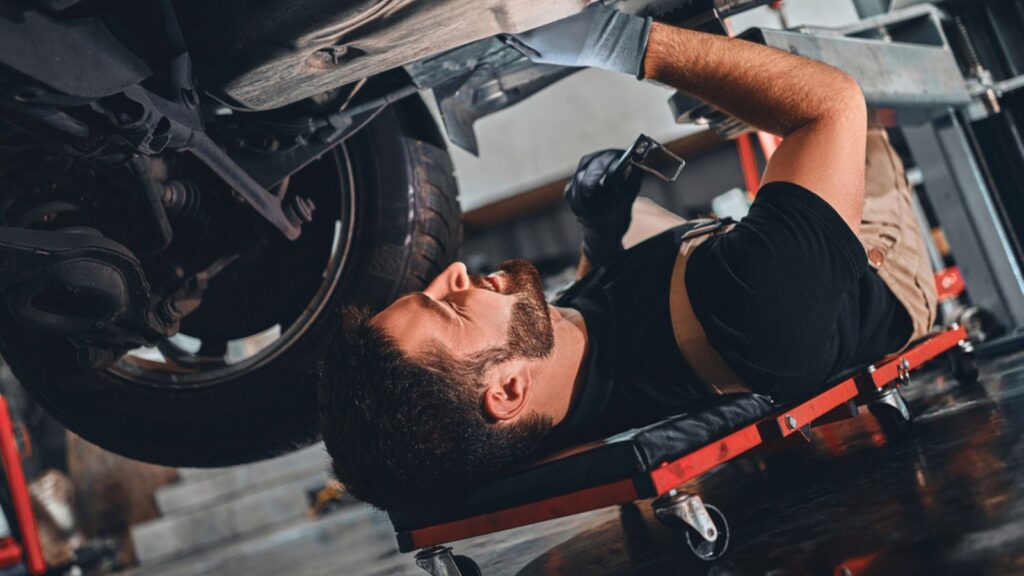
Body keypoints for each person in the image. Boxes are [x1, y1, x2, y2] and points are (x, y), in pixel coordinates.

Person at [318, 4, 937, 511]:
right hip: (878, 264)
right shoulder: (749, 304)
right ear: (507, 390)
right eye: (448, 308)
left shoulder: (542, 397)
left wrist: (601, 229)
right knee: (829, 59)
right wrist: (617, 41)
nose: (450, 273)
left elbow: (599, 316)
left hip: (714, 270)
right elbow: (832, 104)